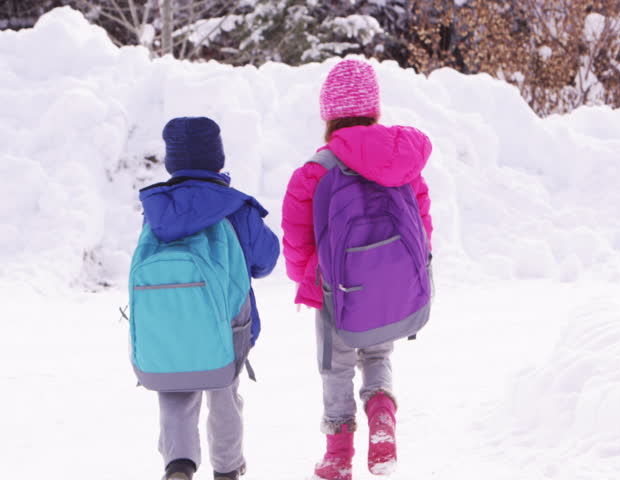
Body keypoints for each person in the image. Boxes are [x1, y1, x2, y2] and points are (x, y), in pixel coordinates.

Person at [280, 59, 433, 480]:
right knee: (379, 351)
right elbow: (422, 222)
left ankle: (339, 452)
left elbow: (296, 237)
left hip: (336, 290)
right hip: (390, 286)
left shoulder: (316, 170)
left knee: (336, 364)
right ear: (374, 110)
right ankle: (382, 412)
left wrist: (305, 281)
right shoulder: (403, 162)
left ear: (329, 115)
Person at [139, 116, 280, 480]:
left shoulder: (157, 209)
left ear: (172, 164)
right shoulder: (236, 207)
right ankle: (227, 469)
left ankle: (179, 465)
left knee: (175, 393)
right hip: (227, 324)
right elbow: (266, 259)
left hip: (169, 324)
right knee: (224, 395)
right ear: (218, 161)